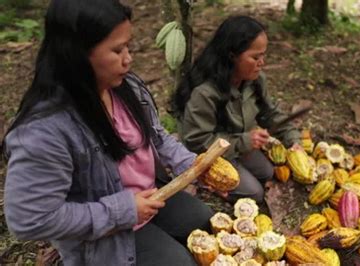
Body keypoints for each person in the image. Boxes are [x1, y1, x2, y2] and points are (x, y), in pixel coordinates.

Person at [2, 0, 213, 265]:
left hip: (149, 194)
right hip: (105, 226)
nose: (128, 59)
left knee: (204, 221)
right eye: (117, 50)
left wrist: (191, 164)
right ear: (76, 53)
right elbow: (28, 219)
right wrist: (123, 211)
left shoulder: (125, 86)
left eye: (128, 46)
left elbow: (156, 135)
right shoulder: (44, 131)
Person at [172, 16, 301, 204]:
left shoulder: (255, 80)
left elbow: (269, 113)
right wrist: (244, 142)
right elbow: (198, 142)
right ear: (232, 56)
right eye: (255, 57)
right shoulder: (205, 93)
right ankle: (205, 183)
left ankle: (236, 167)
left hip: (236, 142)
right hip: (208, 153)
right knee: (254, 193)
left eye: (263, 55)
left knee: (267, 172)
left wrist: (292, 139)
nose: (262, 62)